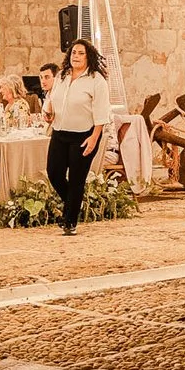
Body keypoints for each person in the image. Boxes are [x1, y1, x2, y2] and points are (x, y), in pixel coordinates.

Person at [44, 38, 109, 235]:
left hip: (84, 135)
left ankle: (70, 222)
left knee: (76, 179)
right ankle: (73, 204)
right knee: (54, 173)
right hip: (60, 132)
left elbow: (101, 113)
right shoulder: (62, 76)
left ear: (89, 57)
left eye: (81, 53)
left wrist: (94, 138)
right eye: (73, 52)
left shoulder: (96, 80)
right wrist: (49, 112)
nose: (76, 56)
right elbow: (52, 99)